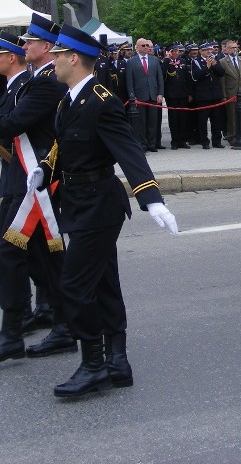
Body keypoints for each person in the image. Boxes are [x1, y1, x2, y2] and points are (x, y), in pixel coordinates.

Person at [31, 24, 178, 398]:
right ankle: (117, 360)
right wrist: (44, 169)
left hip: (99, 204)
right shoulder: (69, 99)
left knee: (74, 285)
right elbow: (63, 145)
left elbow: (128, 150)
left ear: (73, 58)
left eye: (57, 54)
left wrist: (151, 197)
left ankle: (93, 365)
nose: (52, 59)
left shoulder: (101, 99)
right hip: (78, 201)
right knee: (104, 283)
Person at [0, 26, 72, 363]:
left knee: (11, 253)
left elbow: (14, 122)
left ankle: (13, 332)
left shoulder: (45, 82)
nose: (25, 46)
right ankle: (60, 322)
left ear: (45, 46)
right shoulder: (36, 80)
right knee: (42, 257)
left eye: (30, 41)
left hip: (32, 183)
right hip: (22, 179)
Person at [125, 38, 164, 152]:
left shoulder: (154, 60)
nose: (147, 47)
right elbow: (129, 81)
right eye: (144, 45)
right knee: (141, 122)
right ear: (137, 47)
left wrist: (160, 93)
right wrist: (132, 96)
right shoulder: (131, 62)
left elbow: (159, 78)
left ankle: (152, 144)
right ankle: (143, 144)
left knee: (153, 121)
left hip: (153, 95)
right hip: (139, 96)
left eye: (147, 45)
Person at [189, 43, 226, 149]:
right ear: (201, 51)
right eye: (206, 50)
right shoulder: (195, 61)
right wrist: (207, 67)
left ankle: (217, 141)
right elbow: (196, 76)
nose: (209, 52)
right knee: (202, 121)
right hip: (203, 96)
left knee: (216, 120)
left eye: (210, 50)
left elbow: (221, 73)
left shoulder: (215, 60)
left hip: (215, 95)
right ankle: (204, 141)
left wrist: (214, 65)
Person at [220, 39, 241, 145]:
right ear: (227, 49)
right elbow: (222, 81)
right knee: (232, 117)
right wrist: (224, 95)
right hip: (231, 93)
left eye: (235, 47)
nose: (234, 50)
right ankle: (232, 137)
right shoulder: (223, 62)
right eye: (232, 48)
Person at [162, 43, 191, 150]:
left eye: (177, 51)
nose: (176, 53)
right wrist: (167, 59)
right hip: (171, 95)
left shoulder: (183, 62)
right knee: (173, 118)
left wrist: (189, 93)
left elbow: (188, 79)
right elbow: (162, 73)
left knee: (183, 118)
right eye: (173, 51)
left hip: (183, 94)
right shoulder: (166, 62)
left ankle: (182, 140)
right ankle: (175, 141)